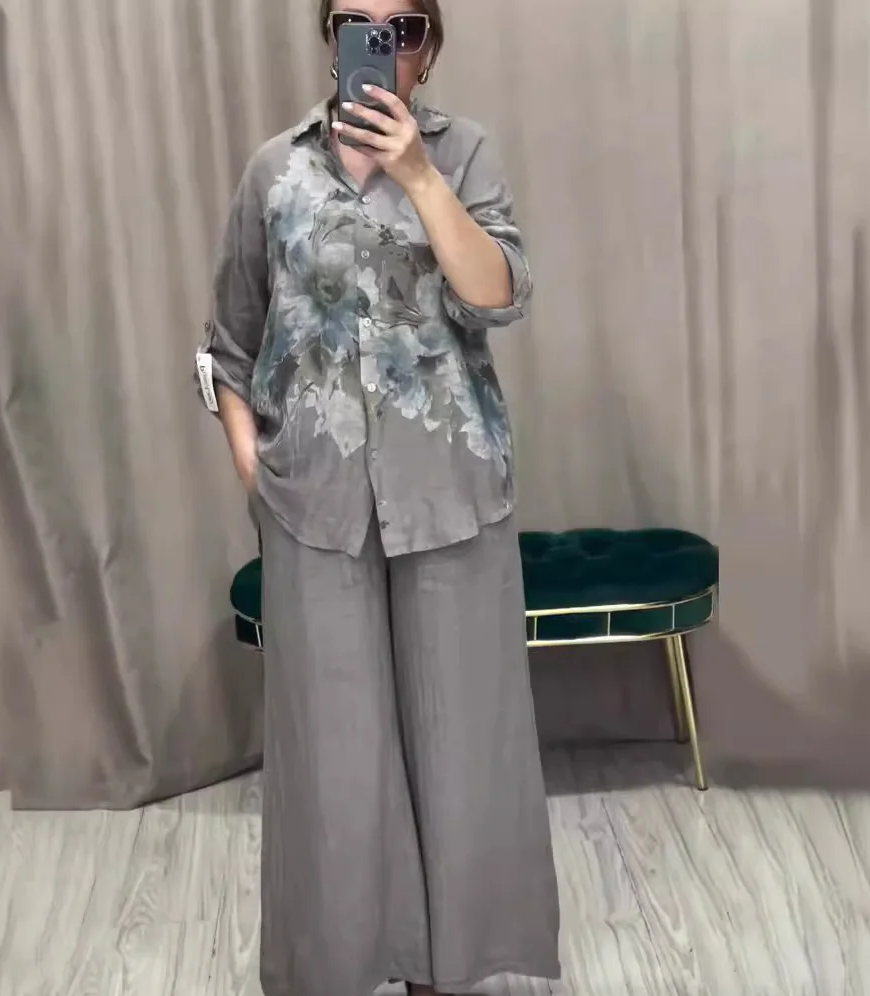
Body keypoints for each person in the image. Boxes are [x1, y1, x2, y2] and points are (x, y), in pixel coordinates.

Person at [195, 1, 561, 994]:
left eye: (402, 28)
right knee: (335, 769)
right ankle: (345, 966)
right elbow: (228, 344)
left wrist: (420, 178)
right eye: (356, 22)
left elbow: (499, 295)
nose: (379, 44)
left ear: (427, 50)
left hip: (450, 498)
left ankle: (448, 970)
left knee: (461, 754)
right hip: (312, 508)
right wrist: (255, 469)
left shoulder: (464, 154)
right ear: (330, 39)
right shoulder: (274, 171)